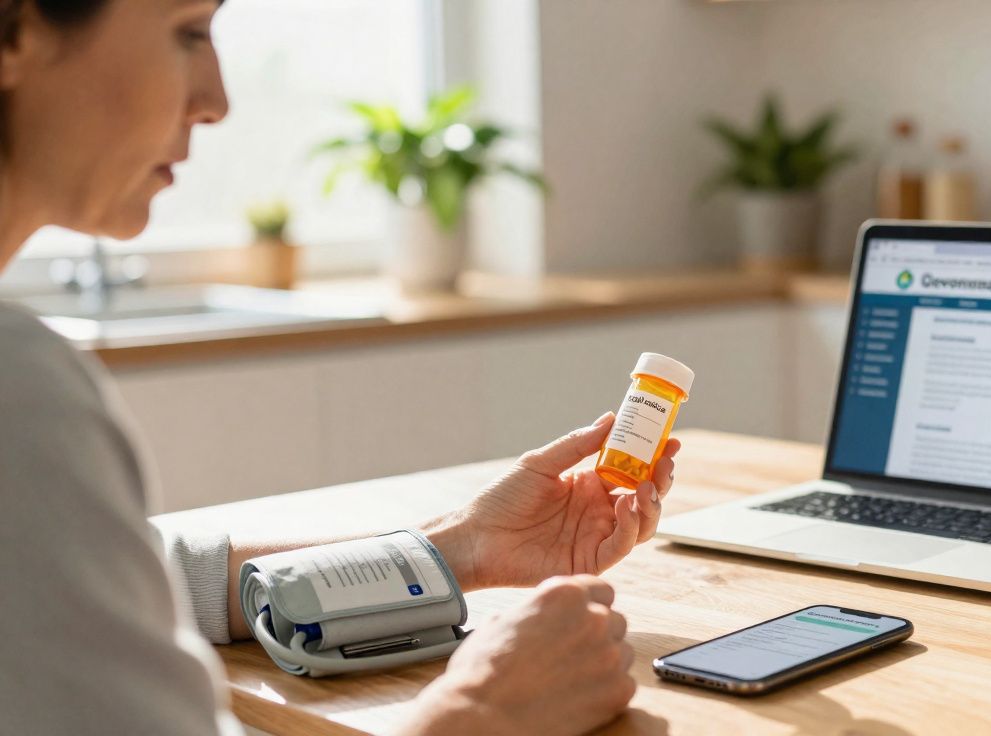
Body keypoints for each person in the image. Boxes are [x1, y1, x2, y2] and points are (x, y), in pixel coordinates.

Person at [0, 2, 679, 734]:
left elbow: (154, 574)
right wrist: (484, 711)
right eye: (188, 31)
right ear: (15, 30)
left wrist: (462, 548)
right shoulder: (19, 393)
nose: (217, 101)